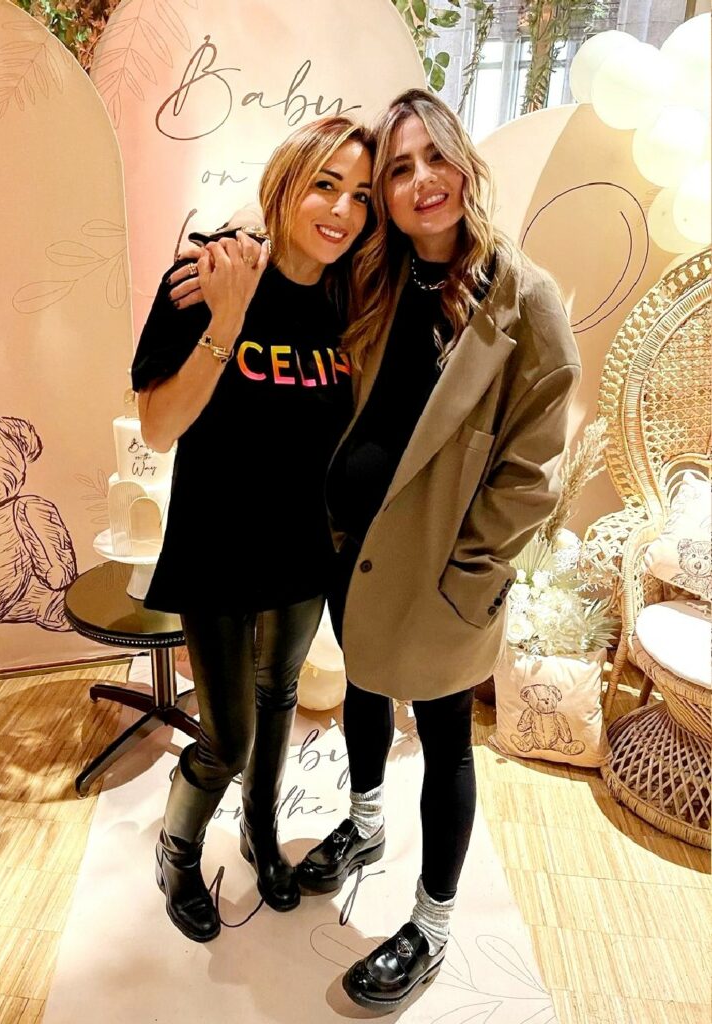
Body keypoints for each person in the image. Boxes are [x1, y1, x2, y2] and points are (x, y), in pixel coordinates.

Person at [290, 89, 581, 1013]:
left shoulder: (522, 297)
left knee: (447, 738)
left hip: (445, 571)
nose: (421, 182)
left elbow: (535, 463)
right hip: (353, 552)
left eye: (434, 159)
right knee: (363, 688)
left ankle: (432, 922)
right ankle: (364, 823)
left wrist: (473, 573)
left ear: (465, 163)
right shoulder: (370, 277)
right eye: (399, 169)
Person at [131, 116, 373, 944]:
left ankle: (260, 833)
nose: (341, 210)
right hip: (218, 545)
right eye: (324, 185)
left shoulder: (348, 301)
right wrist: (224, 326)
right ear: (285, 183)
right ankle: (176, 850)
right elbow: (159, 426)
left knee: (281, 696)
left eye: (360, 196)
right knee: (227, 738)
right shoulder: (208, 275)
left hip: (304, 545)